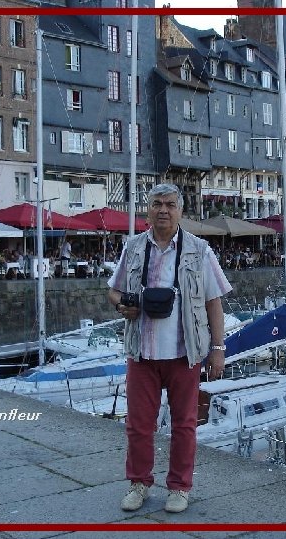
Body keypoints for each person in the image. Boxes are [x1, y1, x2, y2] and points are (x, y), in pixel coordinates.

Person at [107, 183, 232, 514]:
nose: (163, 210)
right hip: (142, 353)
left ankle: (179, 487)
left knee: (184, 424)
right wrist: (124, 307)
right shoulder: (133, 248)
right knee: (138, 424)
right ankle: (139, 483)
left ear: (181, 210)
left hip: (183, 354)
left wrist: (218, 349)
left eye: (170, 205)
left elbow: (214, 301)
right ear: (148, 209)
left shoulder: (199, 250)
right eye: (157, 204)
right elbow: (114, 291)